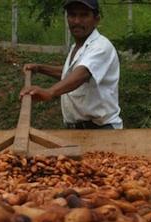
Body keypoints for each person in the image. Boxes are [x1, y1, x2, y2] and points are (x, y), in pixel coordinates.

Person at [20, 0, 123, 129]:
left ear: (96, 20)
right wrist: (40, 68)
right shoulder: (77, 46)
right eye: (72, 15)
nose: (76, 21)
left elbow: (82, 74)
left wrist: (50, 92)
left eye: (84, 15)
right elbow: (69, 73)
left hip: (101, 130)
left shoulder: (101, 46)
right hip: (77, 129)